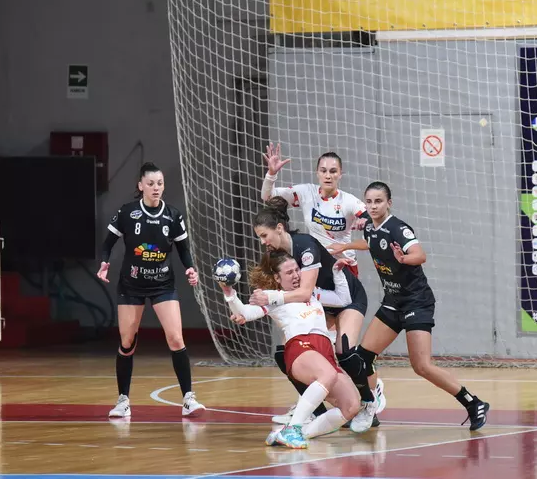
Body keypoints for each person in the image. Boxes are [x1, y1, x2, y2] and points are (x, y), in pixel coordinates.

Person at [329, 181, 490, 431]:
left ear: (389, 203)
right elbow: (370, 242)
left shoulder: (399, 228)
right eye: (369, 201)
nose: (373, 206)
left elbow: (420, 254)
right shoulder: (370, 227)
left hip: (417, 301)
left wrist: (404, 259)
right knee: (362, 357)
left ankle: (473, 402)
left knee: (421, 366)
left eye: (378, 201)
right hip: (393, 301)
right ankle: (370, 406)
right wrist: (347, 246)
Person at [261, 143, 386, 410]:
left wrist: (362, 226)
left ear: (340, 174)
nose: (328, 175)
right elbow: (268, 199)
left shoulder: (349, 202)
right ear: (317, 173)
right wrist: (271, 174)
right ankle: (313, 405)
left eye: (333, 171)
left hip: (340, 272)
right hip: (312, 271)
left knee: (343, 349)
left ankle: (371, 391)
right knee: (308, 346)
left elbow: (374, 224)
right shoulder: (306, 193)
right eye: (323, 170)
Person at [250, 197, 379, 432]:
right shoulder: (277, 255)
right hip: (321, 301)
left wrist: (271, 298)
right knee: (283, 354)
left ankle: (369, 402)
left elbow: (304, 292)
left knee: (344, 350)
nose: (263, 242)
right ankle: (313, 410)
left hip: (346, 297)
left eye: (264, 235)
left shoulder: (305, 246)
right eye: (259, 237)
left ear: (279, 228)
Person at [221, 250, 362, 449]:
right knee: (327, 374)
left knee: (351, 405)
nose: (296, 275)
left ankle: (293, 433)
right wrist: (229, 293)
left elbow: (343, 300)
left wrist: (338, 273)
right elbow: (244, 312)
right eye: (289, 272)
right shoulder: (272, 299)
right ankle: (293, 428)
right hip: (301, 347)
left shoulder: (311, 292)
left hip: (325, 353)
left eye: (297, 270)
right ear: (277, 278)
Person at [98, 162, 204, 418]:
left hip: (162, 284)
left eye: (160, 183)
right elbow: (108, 243)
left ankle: (188, 399)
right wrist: (104, 262)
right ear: (141, 186)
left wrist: (190, 269)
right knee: (127, 341)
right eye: (151, 183)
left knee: (176, 338)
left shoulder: (173, 215)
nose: (156, 188)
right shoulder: (127, 212)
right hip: (131, 284)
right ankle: (123, 401)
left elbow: (184, 250)